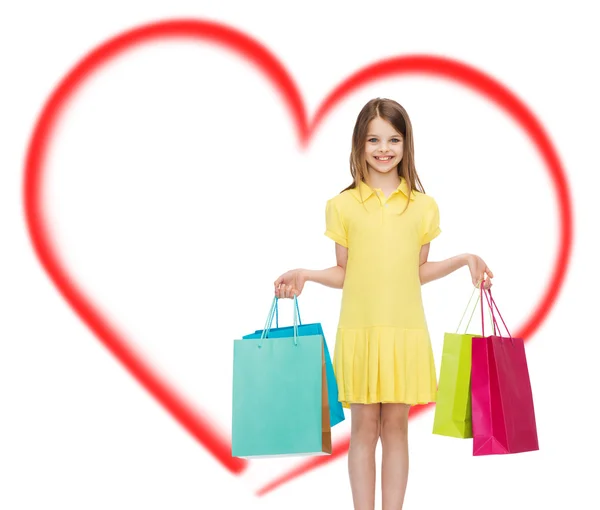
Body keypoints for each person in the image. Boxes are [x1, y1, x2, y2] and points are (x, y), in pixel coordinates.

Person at [273, 97, 493, 510]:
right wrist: (307, 275)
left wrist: (464, 260)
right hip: (360, 330)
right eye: (374, 139)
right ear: (359, 144)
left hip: (404, 331)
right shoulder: (342, 205)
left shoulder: (423, 207)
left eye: (393, 139)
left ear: (406, 144)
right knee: (363, 430)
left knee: (396, 429)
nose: (384, 148)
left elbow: (418, 270)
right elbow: (345, 272)